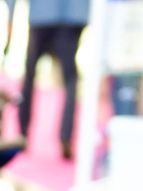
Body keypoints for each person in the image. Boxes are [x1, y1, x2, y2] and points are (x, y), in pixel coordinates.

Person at [18, 0, 91, 159]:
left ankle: (22, 133)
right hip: (73, 14)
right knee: (70, 79)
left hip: (43, 12)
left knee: (30, 75)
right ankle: (65, 137)